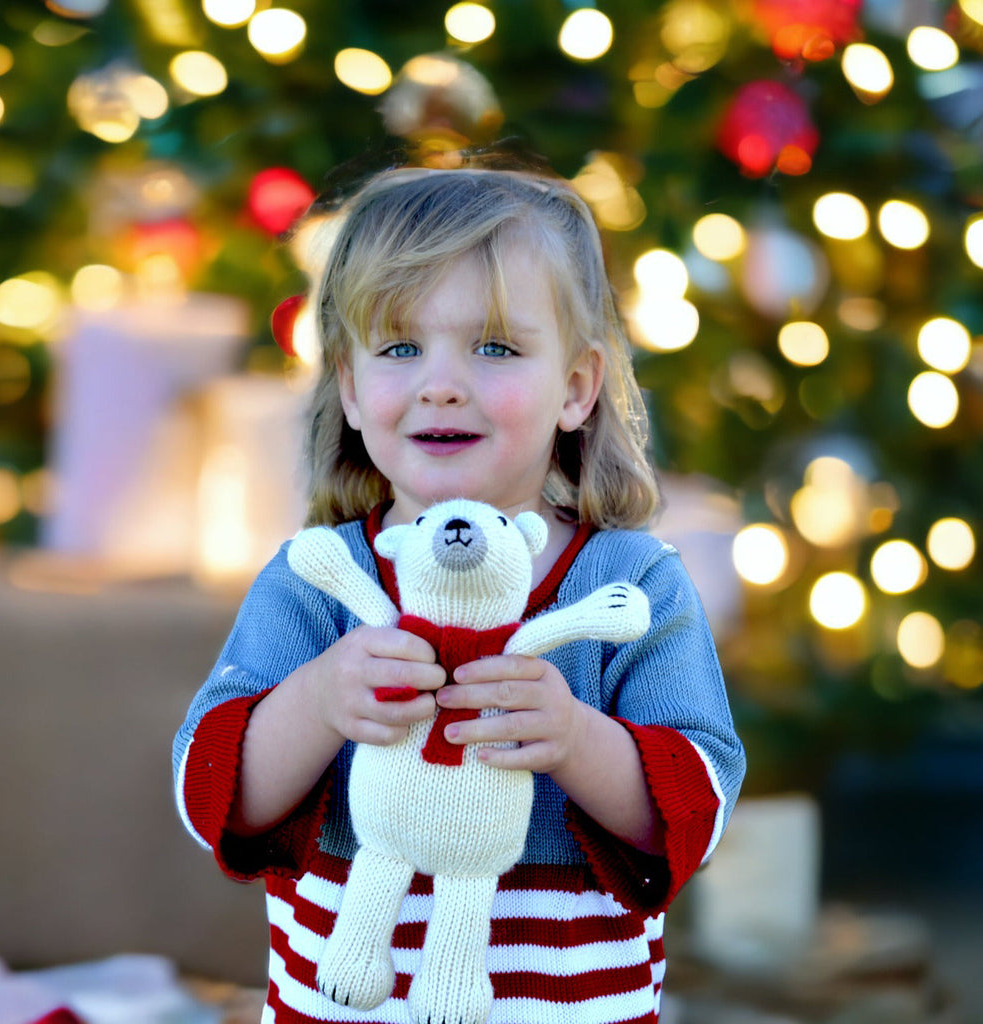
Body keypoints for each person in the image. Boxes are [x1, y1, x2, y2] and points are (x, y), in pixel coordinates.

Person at [173, 164, 746, 1024]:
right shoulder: (317, 581)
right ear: (352, 388)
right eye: (400, 349)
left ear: (578, 389)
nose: (442, 383)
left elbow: (696, 807)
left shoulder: (628, 587)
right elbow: (208, 792)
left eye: (496, 347)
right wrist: (321, 698)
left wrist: (577, 740)